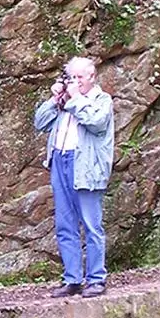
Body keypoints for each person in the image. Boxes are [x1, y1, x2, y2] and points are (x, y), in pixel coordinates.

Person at [33, 56, 115, 298]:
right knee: (65, 225)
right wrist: (55, 98)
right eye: (71, 77)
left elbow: (97, 122)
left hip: (86, 167)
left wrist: (75, 99)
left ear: (91, 77)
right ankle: (72, 279)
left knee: (91, 224)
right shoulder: (64, 102)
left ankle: (96, 279)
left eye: (80, 77)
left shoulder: (101, 100)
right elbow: (40, 122)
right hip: (60, 161)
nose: (75, 82)